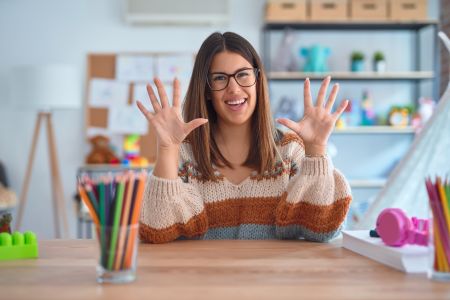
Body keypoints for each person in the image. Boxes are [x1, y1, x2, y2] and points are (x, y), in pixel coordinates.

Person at [136, 32, 352, 244]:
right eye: (220, 78)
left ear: (258, 81)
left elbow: (323, 230)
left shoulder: (289, 151)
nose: (234, 88)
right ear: (207, 90)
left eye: (243, 74)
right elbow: (156, 232)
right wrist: (167, 148)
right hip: (205, 279)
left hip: (272, 279)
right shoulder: (184, 155)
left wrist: (316, 149)